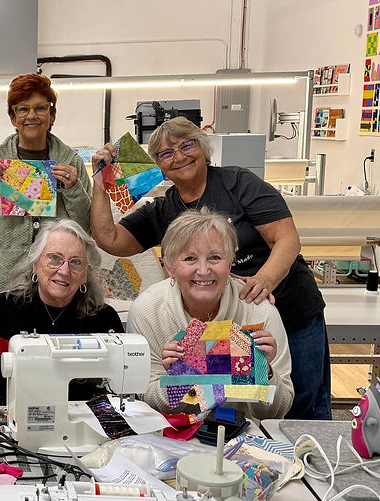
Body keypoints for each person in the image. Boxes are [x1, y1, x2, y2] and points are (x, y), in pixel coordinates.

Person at [90, 117, 329, 420]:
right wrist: (101, 180)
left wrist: (264, 280)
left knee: (302, 403)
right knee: (218, 403)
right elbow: (108, 238)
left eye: (186, 145)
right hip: (223, 317)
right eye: (166, 153)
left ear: (202, 147)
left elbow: (287, 239)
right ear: (157, 166)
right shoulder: (163, 210)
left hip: (285, 308)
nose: (178, 156)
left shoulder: (239, 184)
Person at [127, 209, 293, 420]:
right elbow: (147, 403)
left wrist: (265, 373)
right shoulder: (148, 311)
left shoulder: (259, 312)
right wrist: (178, 381)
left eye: (215, 257)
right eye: (189, 258)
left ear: (230, 263)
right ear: (169, 267)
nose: (203, 270)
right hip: (173, 438)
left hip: (244, 440)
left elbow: (278, 410)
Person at [0, 73, 92, 314]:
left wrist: (73, 191)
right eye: (22, 109)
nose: (31, 116)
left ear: (52, 115)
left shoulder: (71, 163)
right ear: (12, 116)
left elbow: (86, 231)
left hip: (57, 294)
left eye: (40, 108)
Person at [0, 219, 122, 404]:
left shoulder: (104, 318)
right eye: (54, 258)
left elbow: (116, 390)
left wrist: (85, 375)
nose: (64, 270)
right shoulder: (1, 309)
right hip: (7, 423)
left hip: (82, 424)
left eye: (76, 262)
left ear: (85, 275)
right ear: (35, 265)